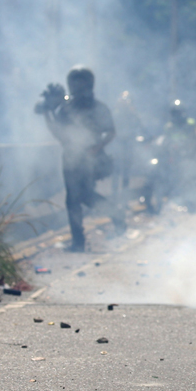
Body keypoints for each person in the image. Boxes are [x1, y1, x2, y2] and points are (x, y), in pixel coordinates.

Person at [35, 66, 125, 252]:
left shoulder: (99, 107)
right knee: (72, 201)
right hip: (70, 158)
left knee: (84, 195)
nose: (77, 86)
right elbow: (59, 134)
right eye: (74, 82)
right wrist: (47, 112)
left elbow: (111, 132)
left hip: (91, 159)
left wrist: (97, 148)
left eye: (81, 82)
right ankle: (78, 242)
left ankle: (115, 215)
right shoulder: (66, 108)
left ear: (89, 83)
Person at [163, 99, 196, 213]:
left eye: (178, 112)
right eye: (175, 113)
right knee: (176, 178)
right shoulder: (169, 126)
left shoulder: (191, 123)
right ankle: (179, 200)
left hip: (190, 156)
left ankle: (194, 200)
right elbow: (166, 141)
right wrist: (171, 148)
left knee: (192, 178)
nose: (177, 115)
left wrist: (194, 151)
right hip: (176, 157)